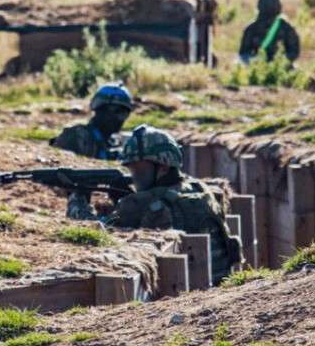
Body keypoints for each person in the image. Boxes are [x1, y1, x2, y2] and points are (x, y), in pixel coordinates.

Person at [108, 125, 241, 284]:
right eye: (132, 169)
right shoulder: (201, 189)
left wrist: (77, 202)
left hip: (182, 295)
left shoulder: (139, 203)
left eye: (140, 168)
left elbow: (102, 234)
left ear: (163, 166)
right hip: (222, 284)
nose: (134, 176)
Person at [50, 82, 134, 160]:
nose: (116, 118)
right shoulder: (77, 136)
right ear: (99, 110)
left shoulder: (117, 142)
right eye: (113, 111)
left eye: (123, 113)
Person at [238, 0, 300, 64]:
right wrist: (254, 61)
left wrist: (278, 62)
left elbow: (293, 52)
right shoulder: (251, 29)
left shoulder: (287, 28)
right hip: (256, 67)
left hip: (281, 68)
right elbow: (244, 53)